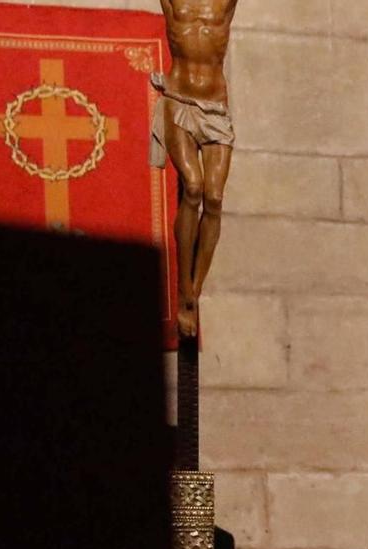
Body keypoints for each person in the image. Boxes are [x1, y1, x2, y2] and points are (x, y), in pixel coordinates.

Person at [154, 0, 237, 337]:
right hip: (180, 102)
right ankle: (184, 290)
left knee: (214, 198)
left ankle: (193, 291)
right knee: (193, 187)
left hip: (215, 107)